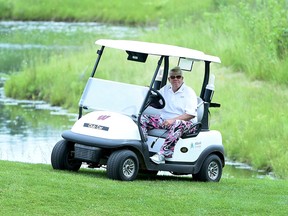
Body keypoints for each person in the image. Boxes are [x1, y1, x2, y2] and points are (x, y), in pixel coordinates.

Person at [141, 66, 198, 164]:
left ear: (182, 78)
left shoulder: (189, 92)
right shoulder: (166, 89)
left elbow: (190, 114)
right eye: (173, 77)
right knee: (142, 118)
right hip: (166, 120)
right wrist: (148, 92)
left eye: (178, 76)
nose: (176, 79)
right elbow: (157, 98)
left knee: (178, 123)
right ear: (169, 79)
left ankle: (163, 154)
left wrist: (172, 120)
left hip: (187, 124)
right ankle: (142, 145)